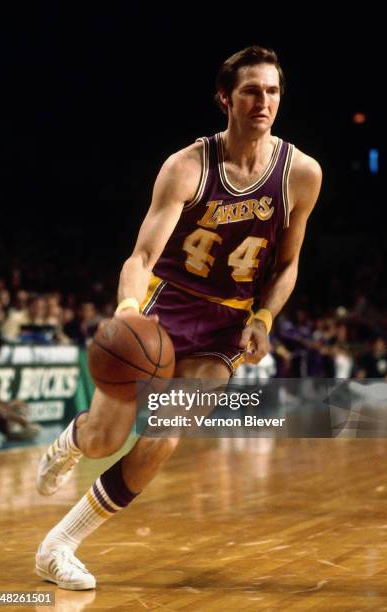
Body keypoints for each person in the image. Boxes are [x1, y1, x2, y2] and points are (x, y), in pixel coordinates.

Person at [35, 45, 322, 590]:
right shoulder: (188, 165)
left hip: (226, 326)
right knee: (104, 438)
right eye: (251, 91)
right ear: (225, 98)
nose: (264, 101)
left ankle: (59, 546)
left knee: (164, 434)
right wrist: (126, 313)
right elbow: (142, 257)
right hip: (164, 310)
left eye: (273, 91)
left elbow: (287, 265)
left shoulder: (302, 174)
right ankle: (74, 442)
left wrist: (263, 317)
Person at [0, 326, 40, 440]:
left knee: (19, 407)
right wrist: (18, 419)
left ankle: (12, 429)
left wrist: (13, 405)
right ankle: (12, 430)